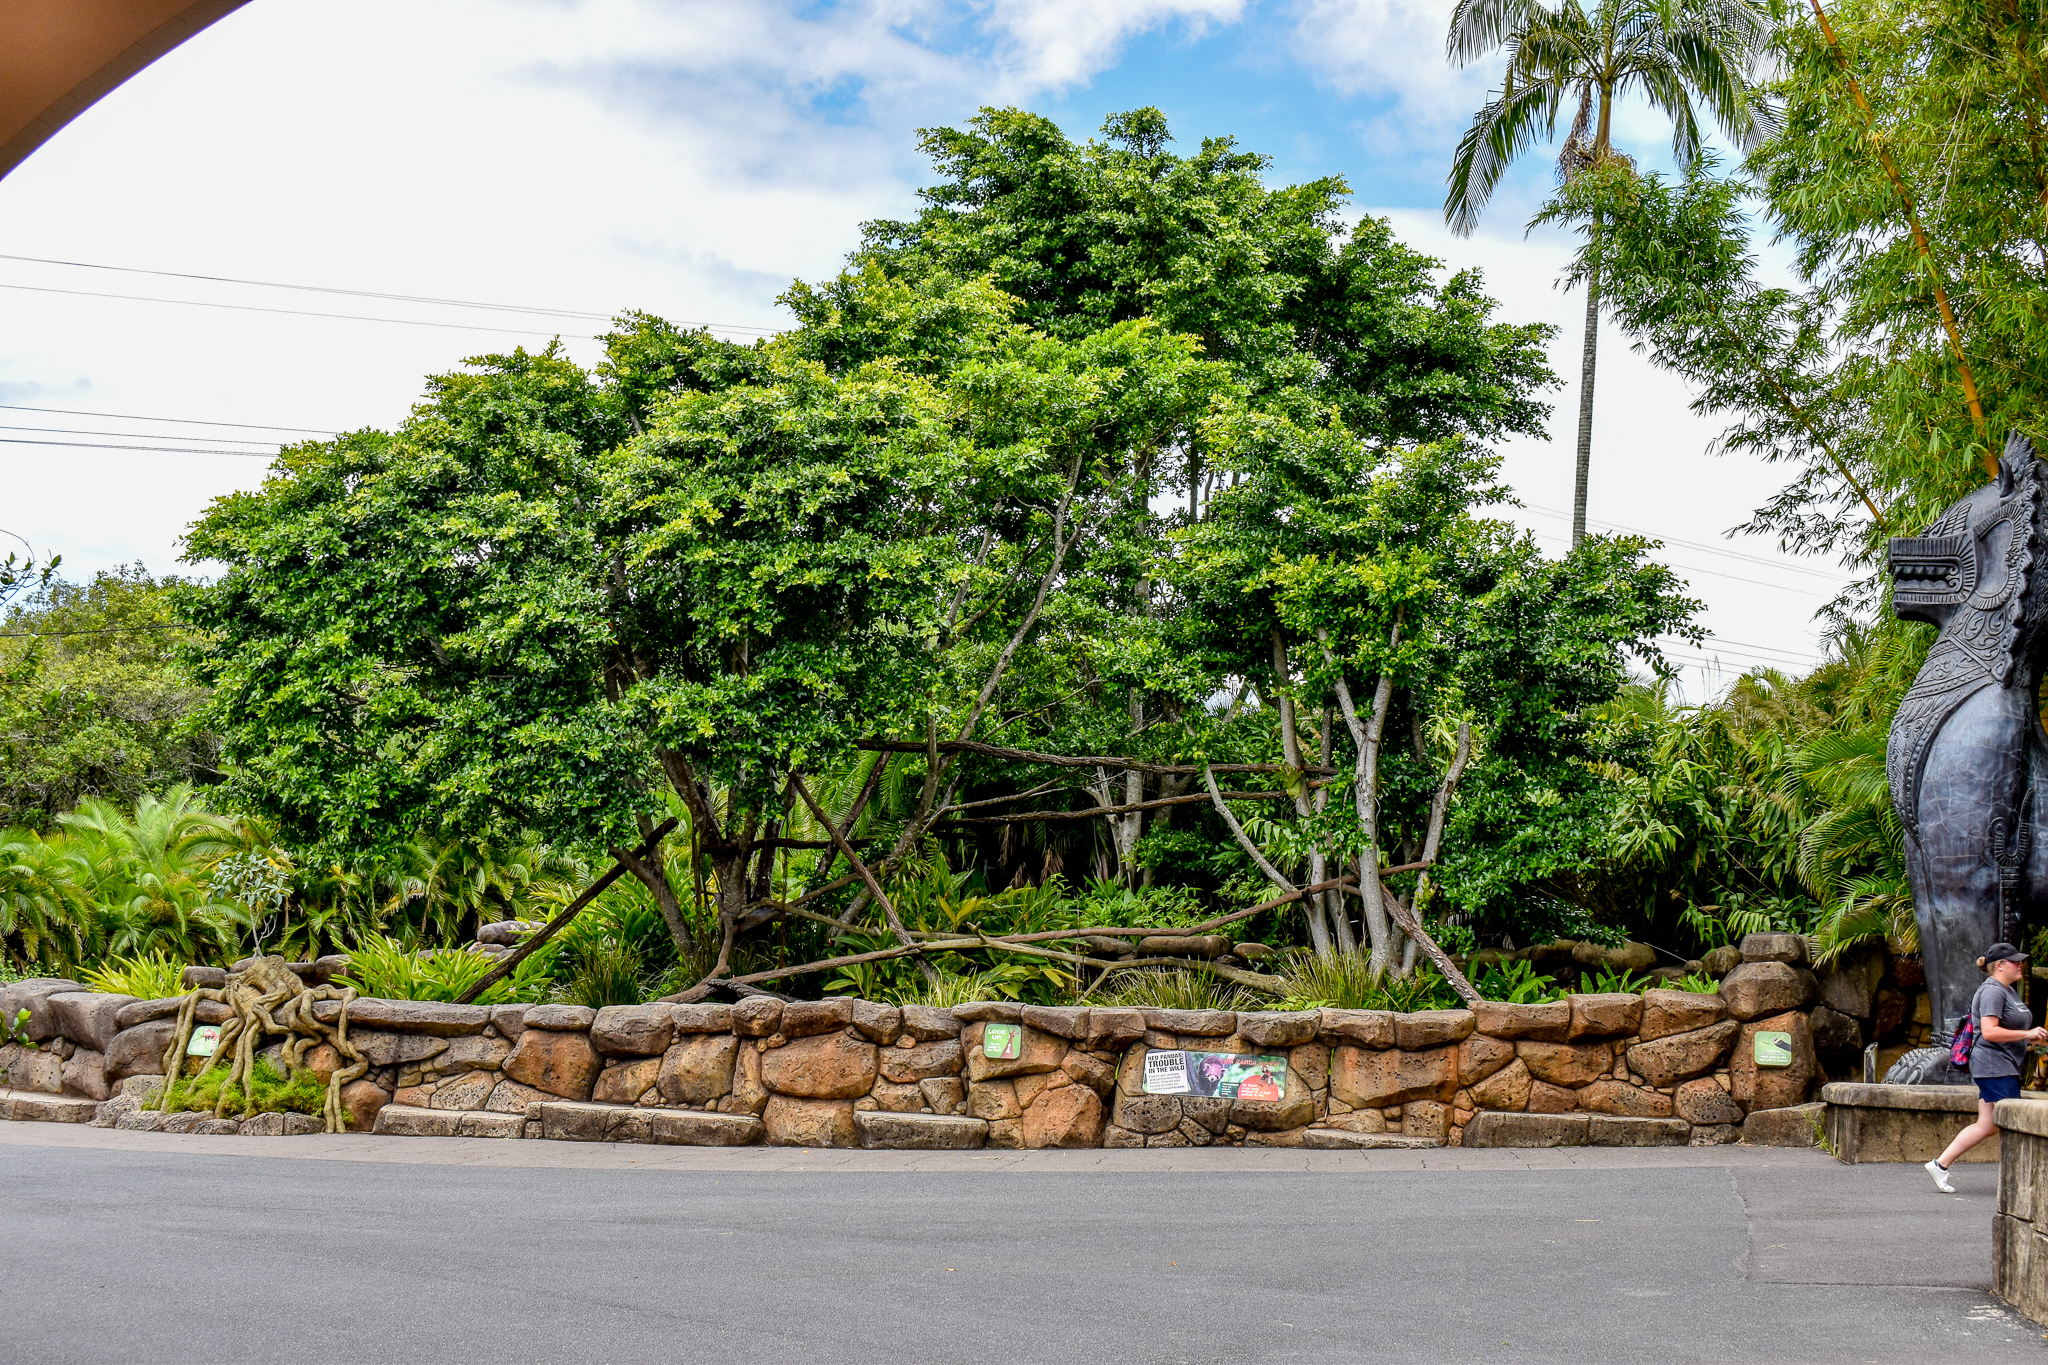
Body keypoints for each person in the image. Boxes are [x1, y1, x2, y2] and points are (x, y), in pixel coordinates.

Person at [1927, 942, 2048, 1192]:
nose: (2020, 964)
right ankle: (2020, 1181)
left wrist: (2028, 1039)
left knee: (1988, 1124)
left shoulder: (2007, 991)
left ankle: (1939, 1165)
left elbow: (2006, 1030)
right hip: (1994, 1067)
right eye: (2015, 961)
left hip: (2002, 1064)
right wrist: (2027, 1032)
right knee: (2015, 1121)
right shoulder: (1992, 991)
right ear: (2000, 966)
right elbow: (1990, 1032)